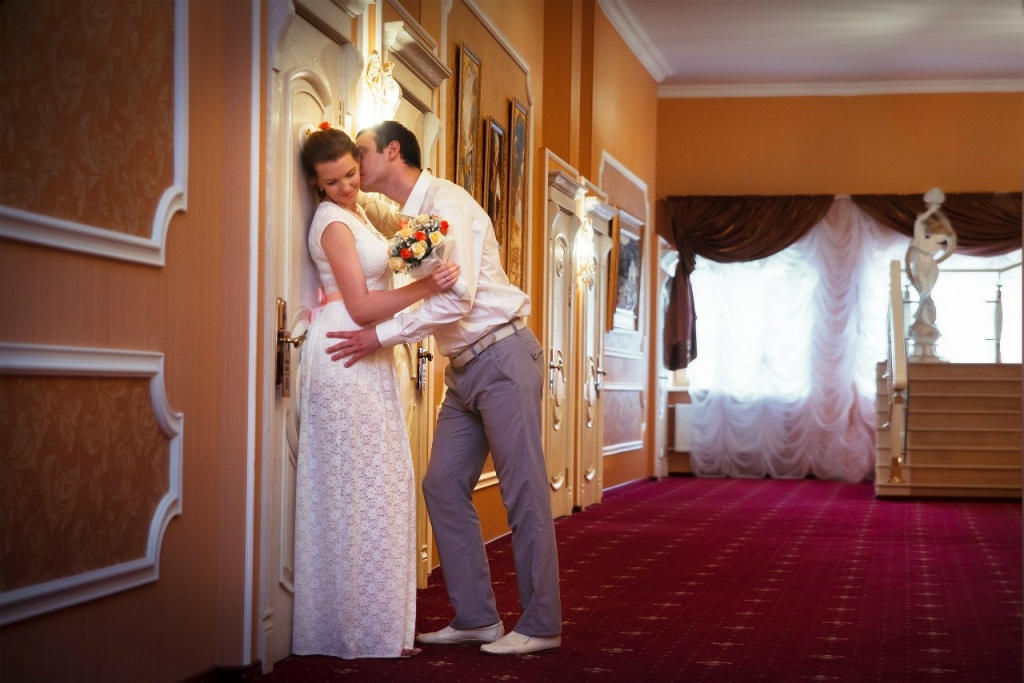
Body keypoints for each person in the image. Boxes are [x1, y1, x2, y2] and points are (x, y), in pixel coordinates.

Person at [325, 120, 563, 656]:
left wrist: (377, 336)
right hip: (463, 370)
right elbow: (389, 238)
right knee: (441, 485)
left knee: (523, 490)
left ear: (392, 150)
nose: (355, 161)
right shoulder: (409, 216)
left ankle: (542, 623)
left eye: (361, 151)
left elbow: (458, 299)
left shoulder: (448, 203)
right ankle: (478, 618)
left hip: (502, 356)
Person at [292, 123, 460, 660]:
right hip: (347, 350)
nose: (345, 186)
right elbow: (362, 307)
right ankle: (354, 632)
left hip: (370, 355)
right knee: (359, 489)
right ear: (316, 184)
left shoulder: (359, 211)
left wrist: (419, 248)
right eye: (332, 181)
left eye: (349, 174)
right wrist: (425, 286)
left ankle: (375, 628)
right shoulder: (331, 222)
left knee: (380, 485)